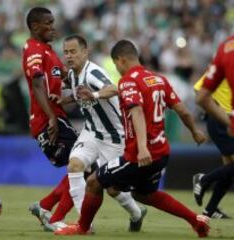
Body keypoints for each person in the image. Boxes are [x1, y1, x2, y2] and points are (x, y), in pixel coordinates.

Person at [55, 40, 210, 237]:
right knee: (143, 194)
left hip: (139, 154)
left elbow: (136, 112)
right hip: (162, 152)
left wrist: (143, 148)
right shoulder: (159, 79)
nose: (118, 70)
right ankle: (196, 221)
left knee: (94, 181)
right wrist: (195, 131)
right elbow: (183, 111)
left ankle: (82, 228)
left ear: (121, 60)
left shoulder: (128, 81)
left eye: (116, 65)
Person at [50, 34, 146, 232]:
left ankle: (137, 213)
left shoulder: (92, 72)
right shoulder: (73, 74)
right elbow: (79, 94)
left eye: (73, 52)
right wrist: (64, 100)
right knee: (74, 165)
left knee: (112, 189)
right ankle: (84, 224)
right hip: (92, 131)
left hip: (113, 136)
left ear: (85, 52)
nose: (69, 56)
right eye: (66, 52)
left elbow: (114, 88)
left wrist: (93, 94)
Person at [22, 7, 77, 231]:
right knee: (86, 165)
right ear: (35, 26)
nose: (53, 27)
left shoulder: (49, 51)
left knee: (84, 164)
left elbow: (61, 79)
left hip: (58, 117)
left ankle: (45, 207)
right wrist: (52, 117)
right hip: (48, 121)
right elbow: (36, 84)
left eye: (53, 22)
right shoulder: (33, 49)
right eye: (48, 23)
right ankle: (52, 214)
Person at [192, 81, 233, 217]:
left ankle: (209, 210)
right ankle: (203, 180)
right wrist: (213, 110)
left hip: (228, 121)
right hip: (222, 120)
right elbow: (198, 89)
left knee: (229, 169)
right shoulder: (225, 65)